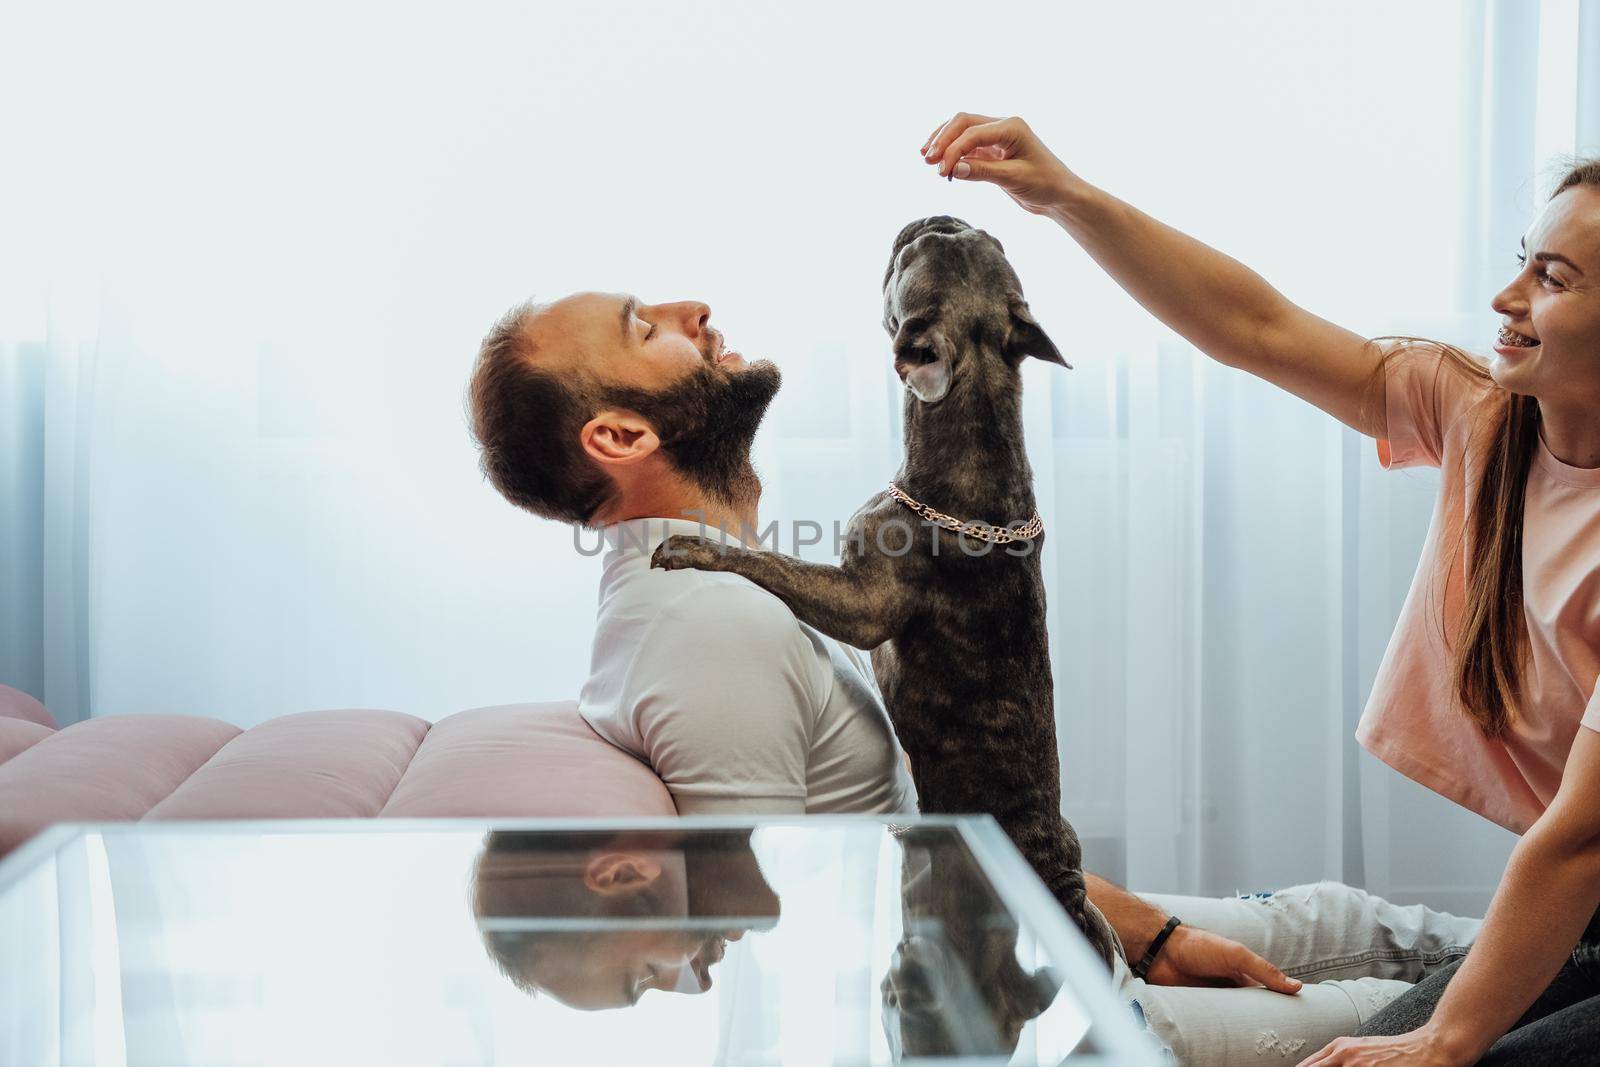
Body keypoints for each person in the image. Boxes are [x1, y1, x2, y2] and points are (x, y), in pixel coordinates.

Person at [463, 224, 1475, 1065]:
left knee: (1343, 918)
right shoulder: (704, 616)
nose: (691, 309)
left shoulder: (704, 584)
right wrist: (1094, 972)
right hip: (1014, 1006)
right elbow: (793, 947)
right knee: (1420, 1007)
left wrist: (1143, 929)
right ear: (620, 437)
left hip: (1031, 923)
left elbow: (942, 832)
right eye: (646, 326)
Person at [920, 112, 1600, 1064]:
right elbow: (1256, 328)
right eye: (1525, 259)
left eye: (1553, 279)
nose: (1506, 294)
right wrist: (1067, 196)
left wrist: (1445, 1042)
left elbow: (1582, 838)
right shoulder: (1488, 422)